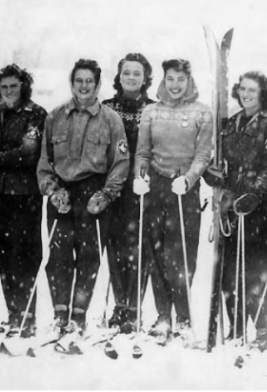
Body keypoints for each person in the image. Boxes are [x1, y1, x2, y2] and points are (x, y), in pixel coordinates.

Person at [36, 59, 129, 335]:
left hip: (93, 194)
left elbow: (120, 163)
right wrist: (53, 191)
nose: (84, 86)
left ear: (98, 84)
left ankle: (79, 316)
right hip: (63, 194)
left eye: (89, 81)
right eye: (79, 81)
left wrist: (106, 194)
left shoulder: (111, 119)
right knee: (59, 256)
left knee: (89, 256)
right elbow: (44, 163)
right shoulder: (54, 117)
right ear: (71, 83)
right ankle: (60, 313)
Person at [207, 71, 267, 349]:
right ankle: (236, 327)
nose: (246, 94)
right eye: (242, 89)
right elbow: (218, 161)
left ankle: (263, 328)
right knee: (229, 271)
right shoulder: (230, 123)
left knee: (258, 270)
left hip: (259, 208)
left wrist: (254, 194)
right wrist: (213, 175)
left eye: (252, 90)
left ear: (263, 92)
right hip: (231, 206)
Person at [133, 59, 213, 342]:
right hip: (156, 186)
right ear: (163, 80)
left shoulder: (202, 112)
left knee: (181, 255)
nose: (175, 85)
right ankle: (164, 314)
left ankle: (185, 315)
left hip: (185, 188)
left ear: (189, 81)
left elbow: (203, 154)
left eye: (181, 79)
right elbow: (143, 152)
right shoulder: (151, 111)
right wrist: (140, 177)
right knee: (156, 252)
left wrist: (189, 178)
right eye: (170, 79)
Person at [0, 64, 47, 336]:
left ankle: (28, 314)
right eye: (4, 88)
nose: (9, 92)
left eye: (13, 87)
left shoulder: (36, 115)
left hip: (26, 194)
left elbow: (27, 153)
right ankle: (13, 313)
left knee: (25, 256)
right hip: (0, 195)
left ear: (23, 86)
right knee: (3, 255)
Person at [101, 53, 156, 333]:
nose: (132, 78)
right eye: (126, 73)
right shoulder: (107, 107)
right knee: (116, 246)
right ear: (119, 76)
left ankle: (134, 307)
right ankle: (119, 304)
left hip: (141, 185)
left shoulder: (153, 108)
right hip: (114, 185)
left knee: (139, 247)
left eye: (137, 73)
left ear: (145, 78)